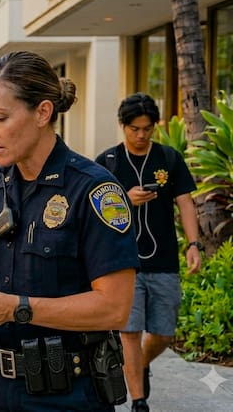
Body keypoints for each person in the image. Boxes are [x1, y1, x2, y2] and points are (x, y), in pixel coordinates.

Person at [0, 51, 140, 411]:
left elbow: (114, 308)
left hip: (68, 394)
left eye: (0, 117)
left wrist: (17, 309)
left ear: (42, 113)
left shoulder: (94, 190)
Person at [95, 92, 202, 412]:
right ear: (122, 126)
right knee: (130, 332)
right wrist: (124, 200)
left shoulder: (169, 158)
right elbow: (96, 211)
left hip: (164, 259)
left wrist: (193, 245)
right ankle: (139, 401)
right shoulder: (107, 162)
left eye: (147, 129)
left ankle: (138, 364)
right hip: (124, 264)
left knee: (163, 334)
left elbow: (185, 202)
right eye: (134, 129)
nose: (141, 135)